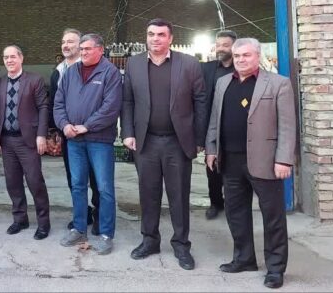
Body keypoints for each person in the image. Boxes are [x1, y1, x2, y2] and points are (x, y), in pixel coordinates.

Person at [205, 38, 297, 289]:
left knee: (273, 217)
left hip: (266, 161)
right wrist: (211, 149)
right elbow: (215, 119)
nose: (241, 60)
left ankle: (275, 268)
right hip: (230, 161)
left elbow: (287, 125)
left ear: (258, 56)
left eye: (246, 55)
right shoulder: (223, 83)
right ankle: (244, 259)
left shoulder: (278, 83)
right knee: (236, 213)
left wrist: (284, 159)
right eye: (237, 56)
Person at [121, 18, 207, 270]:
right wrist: (127, 132)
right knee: (148, 194)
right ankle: (150, 240)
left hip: (177, 143)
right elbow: (127, 101)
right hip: (146, 142)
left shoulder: (188, 64)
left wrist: (199, 139)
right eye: (151, 34)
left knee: (178, 196)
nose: (155, 39)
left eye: (161, 34)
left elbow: (201, 101)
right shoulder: (134, 63)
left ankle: (181, 245)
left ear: (170, 38)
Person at [54, 34, 122, 254]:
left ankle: (106, 234)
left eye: (88, 49)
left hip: (99, 141)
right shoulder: (70, 72)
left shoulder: (110, 72)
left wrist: (87, 126)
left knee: (104, 188)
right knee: (77, 185)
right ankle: (79, 228)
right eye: (81, 49)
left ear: (100, 50)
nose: (83, 52)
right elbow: (58, 103)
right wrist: (64, 125)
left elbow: (111, 107)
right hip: (74, 140)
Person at [0, 45, 51, 240]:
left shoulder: (34, 80)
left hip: (28, 141)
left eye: (13, 57)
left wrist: (41, 135)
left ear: (21, 58)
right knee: (13, 182)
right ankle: (20, 219)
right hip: (7, 140)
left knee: (35, 182)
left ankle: (43, 223)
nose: (9, 60)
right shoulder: (0, 82)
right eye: (6, 57)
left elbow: (43, 107)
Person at [49, 28, 100, 232]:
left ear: (81, 46)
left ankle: (99, 215)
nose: (66, 45)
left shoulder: (94, 69)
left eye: (71, 41)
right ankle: (83, 214)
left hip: (93, 134)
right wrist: (58, 129)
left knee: (96, 178)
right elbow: (54, 104)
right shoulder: (58, 72)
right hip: (68, 134)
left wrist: (86, 125)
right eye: (63, 42)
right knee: (74, 178)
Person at [201, 30, 238, 220]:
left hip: (235, 127)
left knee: (233, 170)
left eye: (225, 45)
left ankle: (234, 205)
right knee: (212, 169)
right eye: (218, 45)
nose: (220, 48)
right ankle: (215, 203)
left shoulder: (241, 68)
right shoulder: (207, 69)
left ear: (234, 47)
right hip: (212, 127)